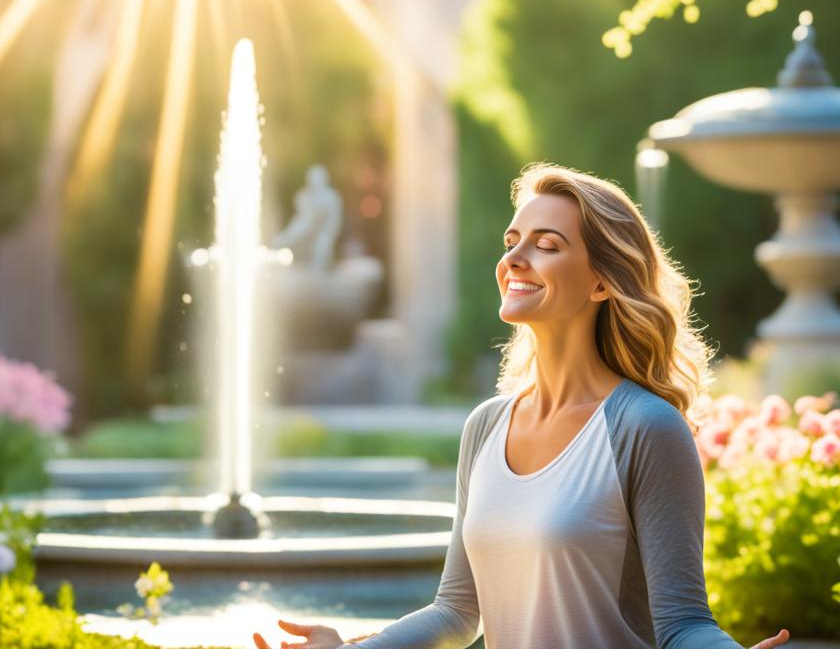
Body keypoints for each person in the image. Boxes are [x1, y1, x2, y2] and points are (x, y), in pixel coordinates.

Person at [253, 162, 791, 649]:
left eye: (547, 245)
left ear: (602, 281)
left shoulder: (646, 427)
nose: (513, 259)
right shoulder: (485, 426)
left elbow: (683, 624)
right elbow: (457, 611)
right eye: (513, 241)